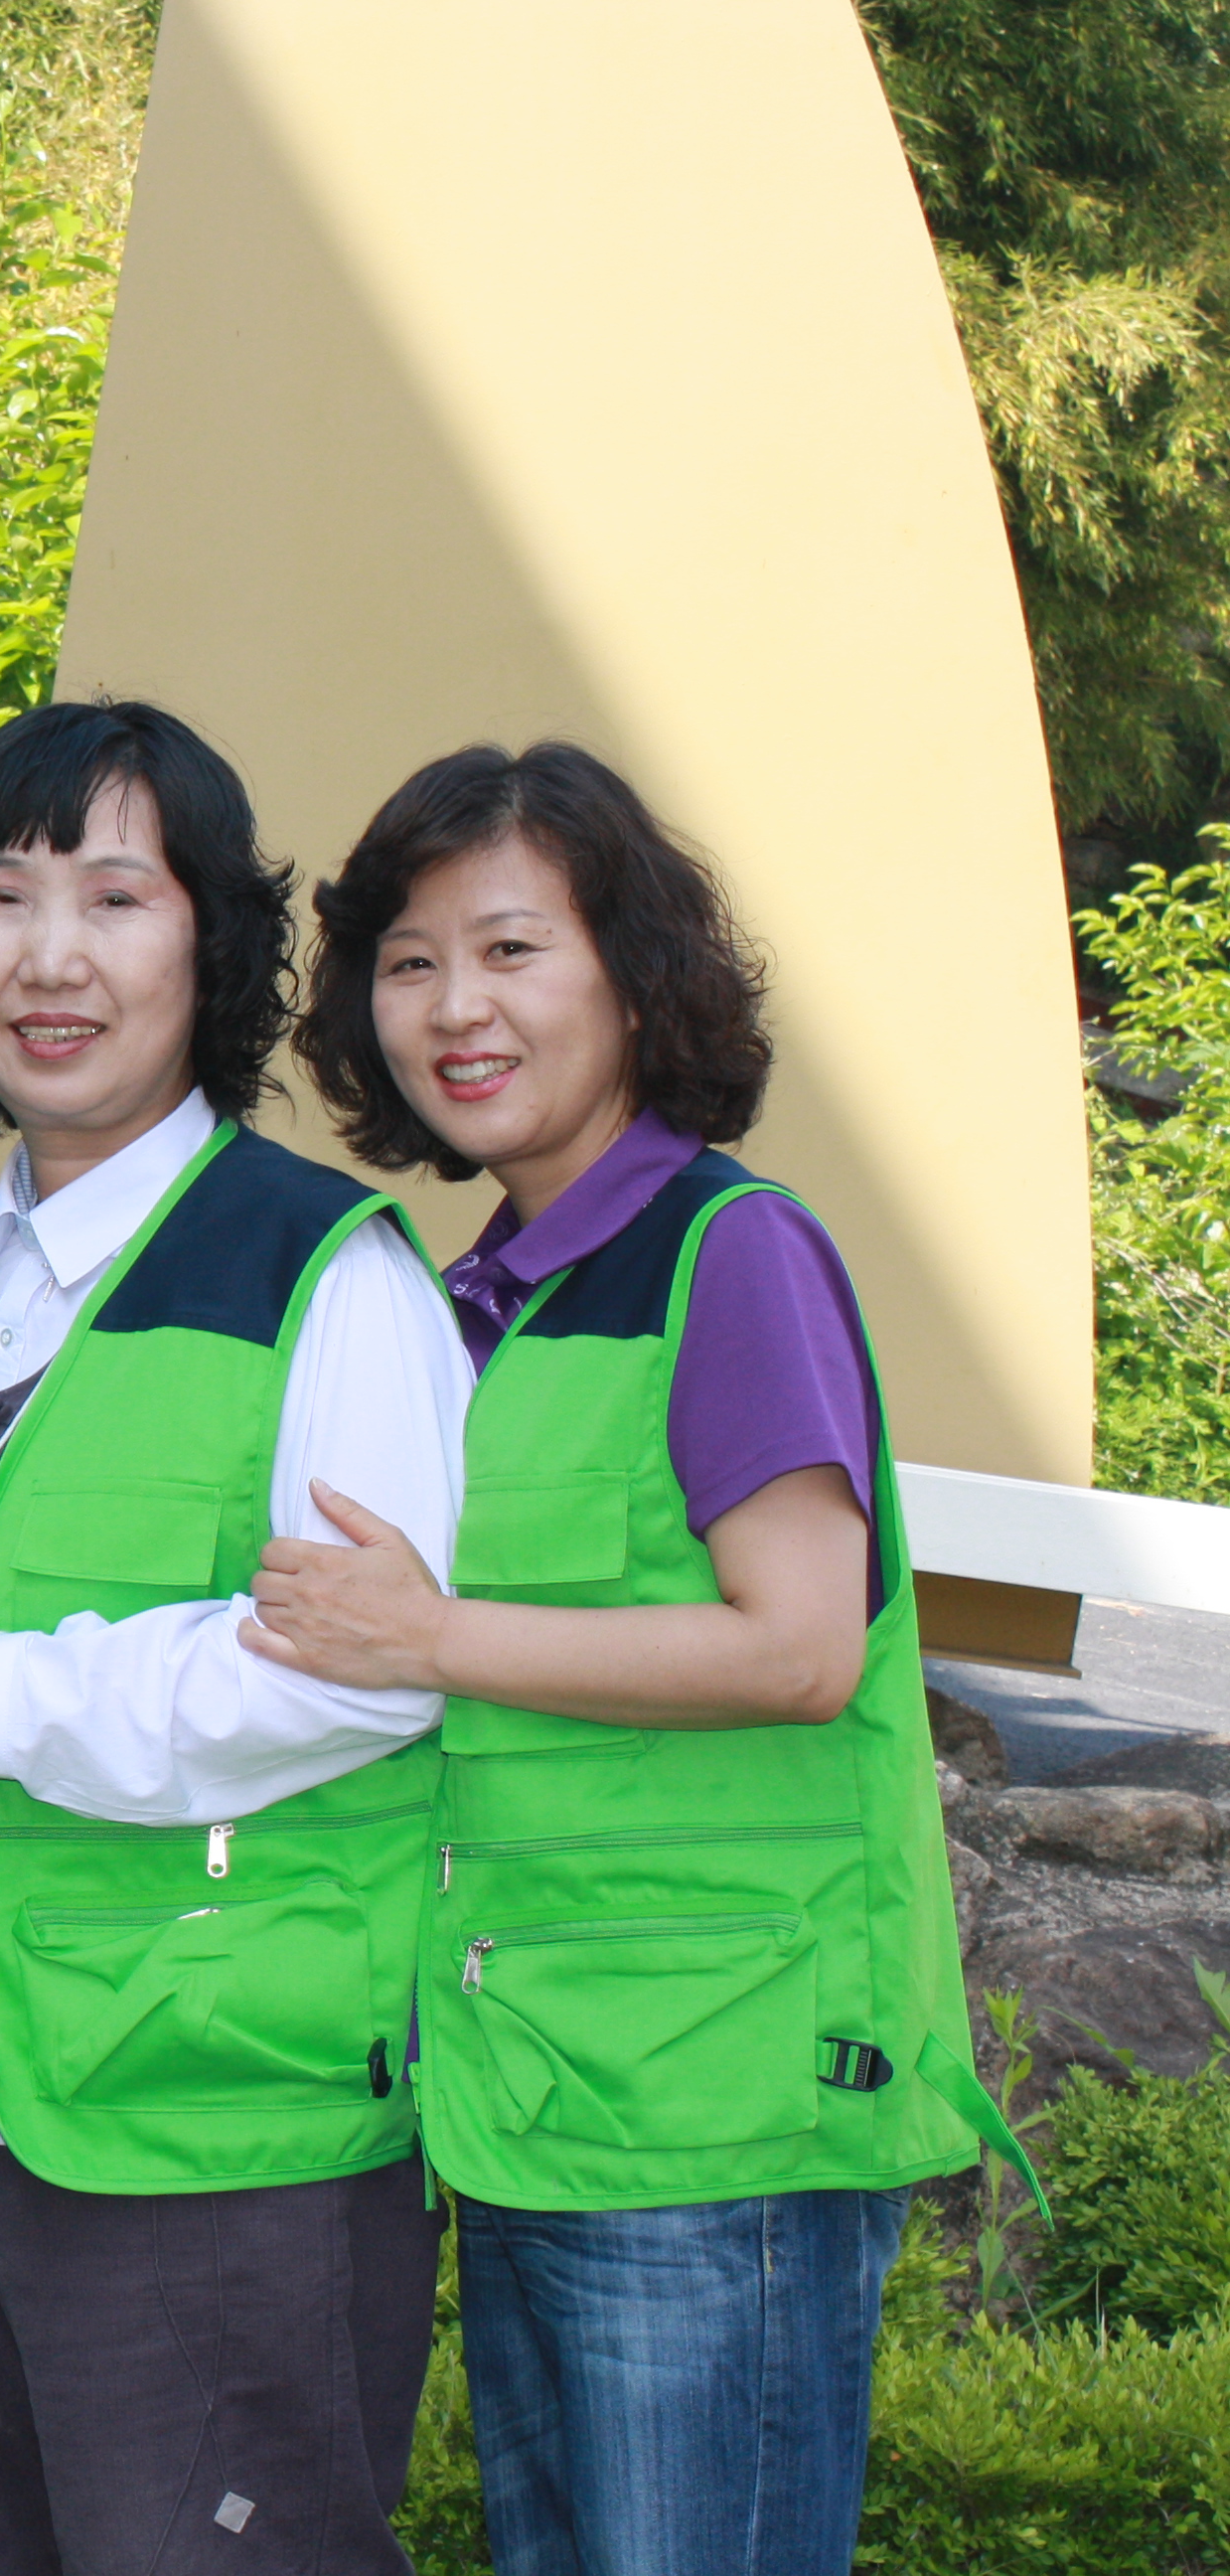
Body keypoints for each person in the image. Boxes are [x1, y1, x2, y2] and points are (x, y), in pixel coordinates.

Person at [263, 741, 1015, 2576]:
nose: (457, 1007)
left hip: (715, 2116)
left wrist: (432, 1637)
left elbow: (799, 1646)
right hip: (539, 2095)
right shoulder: (473, 1297)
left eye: (512, 949)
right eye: (411, 962)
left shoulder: (729, 1256)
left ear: (634, 974)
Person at [0, 699, 472, 2576]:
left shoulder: (324, 1271)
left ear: (209, 947)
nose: (50, 957)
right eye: (1, 897)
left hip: (214, 2134)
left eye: (114, 898)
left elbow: (362, 1671)